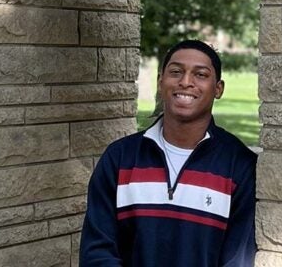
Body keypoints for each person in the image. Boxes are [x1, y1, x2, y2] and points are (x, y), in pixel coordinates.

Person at [80, 40, 257, 266]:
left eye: (200, 75)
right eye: (176, 72)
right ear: (160, 81)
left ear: (218, 89)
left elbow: (237, 260)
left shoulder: (239, 166)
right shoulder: (120, 158)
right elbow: (97, 252)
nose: (186, 82)